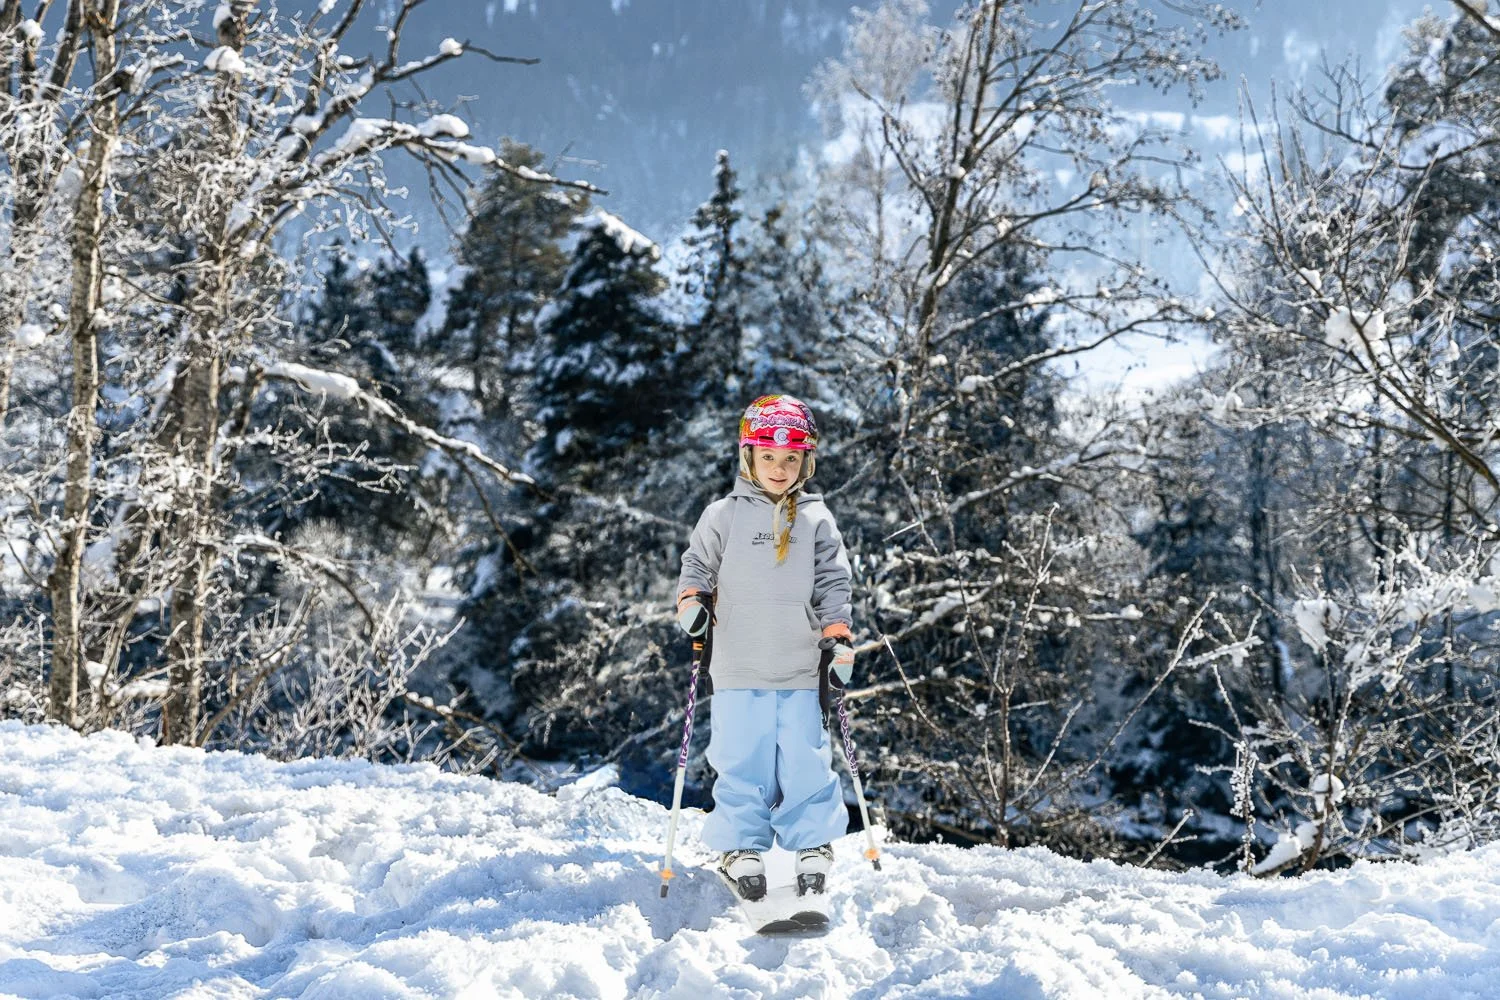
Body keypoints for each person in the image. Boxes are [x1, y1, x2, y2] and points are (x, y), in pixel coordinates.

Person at [675, 394, 857, 901]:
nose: (780, 468)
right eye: (769, 457)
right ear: (748, 457)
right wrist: (692, 600)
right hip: (738, 663)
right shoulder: (723, 515)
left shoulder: (818, 520)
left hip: (800, 663)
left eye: (791, 458)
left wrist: (837, 633)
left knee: (805, 759)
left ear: (807, 461)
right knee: (742, 758)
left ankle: (812, 844)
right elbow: (698, 567)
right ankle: (740, 847)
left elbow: (833, 584)